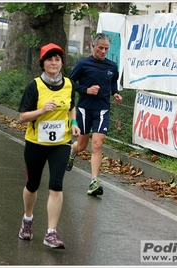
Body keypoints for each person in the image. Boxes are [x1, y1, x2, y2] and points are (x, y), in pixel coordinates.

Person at [17, 43, 80, 249]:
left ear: (62, 63)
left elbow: (71, 107)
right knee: (32, 185)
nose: (54, 63)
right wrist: (42, 110)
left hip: (61, 143)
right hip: (36, 143)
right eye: (49, 59)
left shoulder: (69, 84)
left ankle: (51, 233)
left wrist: (74, 124)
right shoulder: (34, 86)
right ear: (42, 63)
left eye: (57, 59)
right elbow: (22, 117)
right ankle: (27, 219)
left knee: (56, 185)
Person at [66, 33, 123, 196]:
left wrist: (115, 93)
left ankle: (94, 181)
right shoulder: (83, 64)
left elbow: (112, 83)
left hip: (103, 109)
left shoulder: (112, 66)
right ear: (93, 47)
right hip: (85, 109)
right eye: (100, 48)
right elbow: (70, 83)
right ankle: (72, 151)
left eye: (106, 48)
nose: (104, 51)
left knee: (97, 144)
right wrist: (86, 90)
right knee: (82, 146)